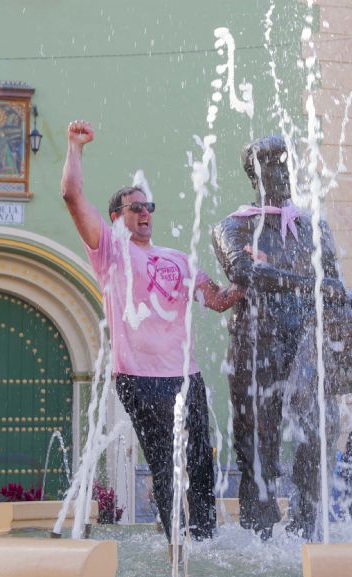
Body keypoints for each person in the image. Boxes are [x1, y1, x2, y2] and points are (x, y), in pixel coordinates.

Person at [61, 120, 247, 544]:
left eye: (149, 208)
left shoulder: (179, 259)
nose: (145, 213)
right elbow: (72, 196)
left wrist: (252, 275)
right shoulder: (110, 251)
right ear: (116, 217)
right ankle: (176, 544)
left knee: (201, 462)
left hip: (186, 376)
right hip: (140, 378)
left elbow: (217, 299)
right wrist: (75, 147)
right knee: (166, 463)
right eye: (135, 207)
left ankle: (205, 544)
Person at [212, 134, 352, 540]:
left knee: (321, 430)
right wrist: (305, 286)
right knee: (260, 453)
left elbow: (333, 291)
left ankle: (306, 531)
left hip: (310, 349)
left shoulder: (315, 230)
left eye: (284, 160)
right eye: (271, 162)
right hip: (255, 351)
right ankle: (259, 545)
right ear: (253, 173)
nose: (282, 170)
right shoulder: (232, 227)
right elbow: (243, 272)